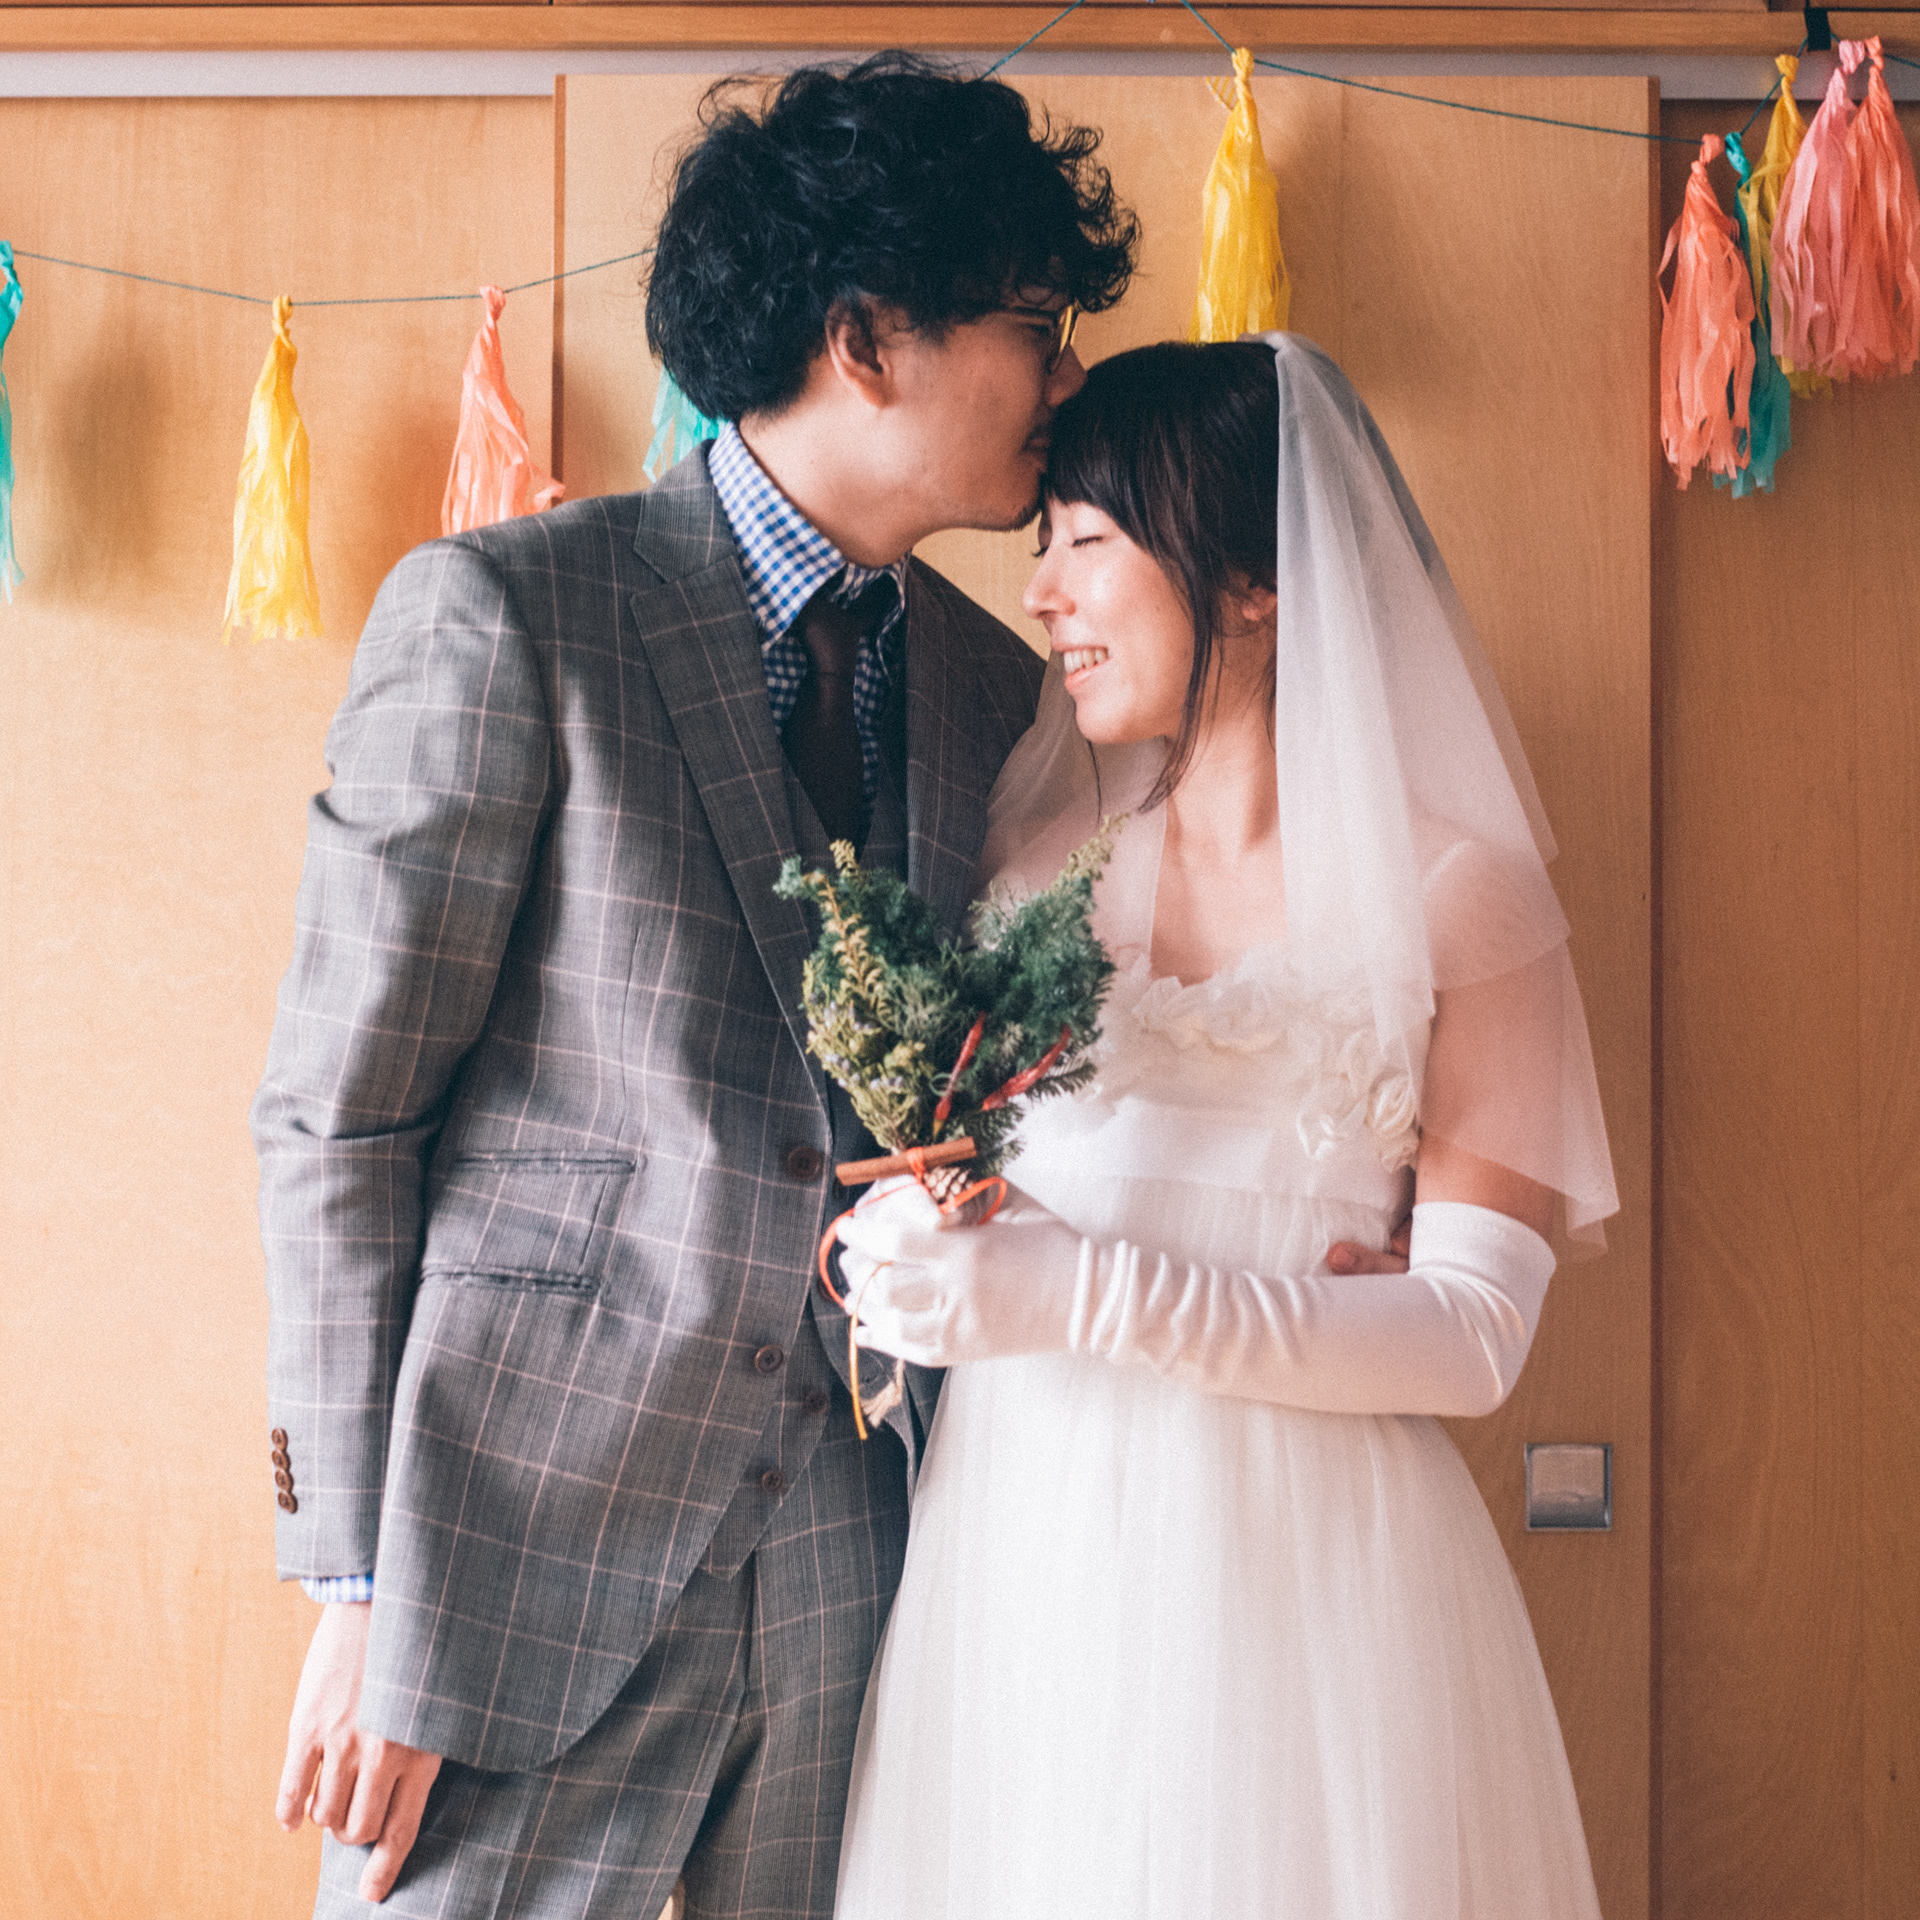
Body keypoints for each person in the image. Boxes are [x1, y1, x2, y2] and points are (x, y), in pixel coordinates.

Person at [252, 54, 1141, 1920]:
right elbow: (341, 1113)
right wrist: (358, 1584)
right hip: (509, 1570)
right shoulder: (510, 616)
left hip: (853, 1574)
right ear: (867, 338)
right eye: (1034, 326)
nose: (1067, 381)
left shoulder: (996, 691)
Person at [831, 336, 1621, 1918]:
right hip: (1025, 1575)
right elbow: (956, 1201)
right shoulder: (1026, 872)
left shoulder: (1460, 897)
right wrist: (911, 1248)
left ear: (1254, 583)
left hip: (1313, 1592)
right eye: (1044, 542)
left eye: (1088, 541)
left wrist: (1093, 1292)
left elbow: (1472, 1334)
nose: (1042, 592)